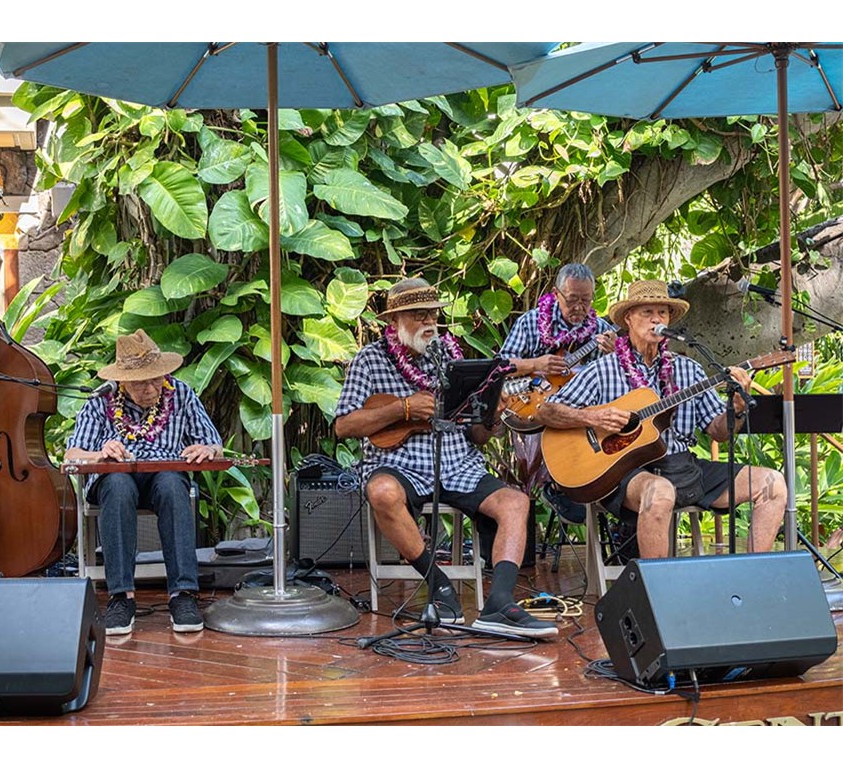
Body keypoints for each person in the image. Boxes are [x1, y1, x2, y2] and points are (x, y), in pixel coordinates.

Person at [334, 277, 558, 638]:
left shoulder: (451, 358)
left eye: (433, 315)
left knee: (516, 503)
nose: (429, 322)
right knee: (381, 492)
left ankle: (500, 603)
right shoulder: (369, 360)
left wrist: (492, 417)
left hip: (457, 463)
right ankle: (438, 583)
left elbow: (476, 434)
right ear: (395, 321)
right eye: (418, 315)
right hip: (397, 463)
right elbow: (344, 426)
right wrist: (403, 408)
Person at [536, 280, 786, 558]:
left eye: (663, 313)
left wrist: (736, 409)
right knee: (660, 491)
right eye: (647, 312)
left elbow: (719, 432)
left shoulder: (688, 370)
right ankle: (657, 585)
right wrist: (593, 416)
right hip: (626, 474)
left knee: (772, 483)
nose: (656, 319)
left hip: (684, 469)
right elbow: (546, 410)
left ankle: (755, 574)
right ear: (628, 318)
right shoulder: (603, 369)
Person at [64, 330, 223, 636]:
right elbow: (72, 454)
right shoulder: (101, 400)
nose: (151, 388)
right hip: (115, 479)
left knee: (172, 485)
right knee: (118, 485)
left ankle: (183, 594)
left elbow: (214, 443)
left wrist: (208, 450)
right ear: (122, 381)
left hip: (164, 474)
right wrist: (100, 454)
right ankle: (121, 597)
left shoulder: (181, 393)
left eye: (156, 379)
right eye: (140, 382)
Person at [497, 263, 617, 524]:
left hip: (579, 410)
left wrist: (614, 355)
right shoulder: (530, 322)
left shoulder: (600, 329)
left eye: (586, 300)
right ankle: (556, 485)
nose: (579, 307)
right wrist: (535, 364)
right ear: (556, 294)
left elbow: (610, 380)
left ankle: (583, 485)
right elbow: (500, 367)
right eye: (572, 300)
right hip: (529, 406)